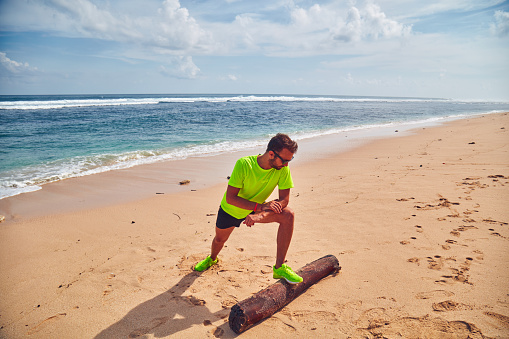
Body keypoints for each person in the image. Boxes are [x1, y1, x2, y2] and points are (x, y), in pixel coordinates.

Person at [194, 133, 303, 284]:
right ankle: (212, 258)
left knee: (288, 215)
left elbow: (284, 199)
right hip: (232, 209)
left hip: (258, 208)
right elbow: (230, 198)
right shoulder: (244, 164)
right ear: (271, 154)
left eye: (290, 160)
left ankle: (279, 267)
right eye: (284, 160)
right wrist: (261, 207)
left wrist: (260, 214)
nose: (286, 164)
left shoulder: (283, 169)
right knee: (219, 240)